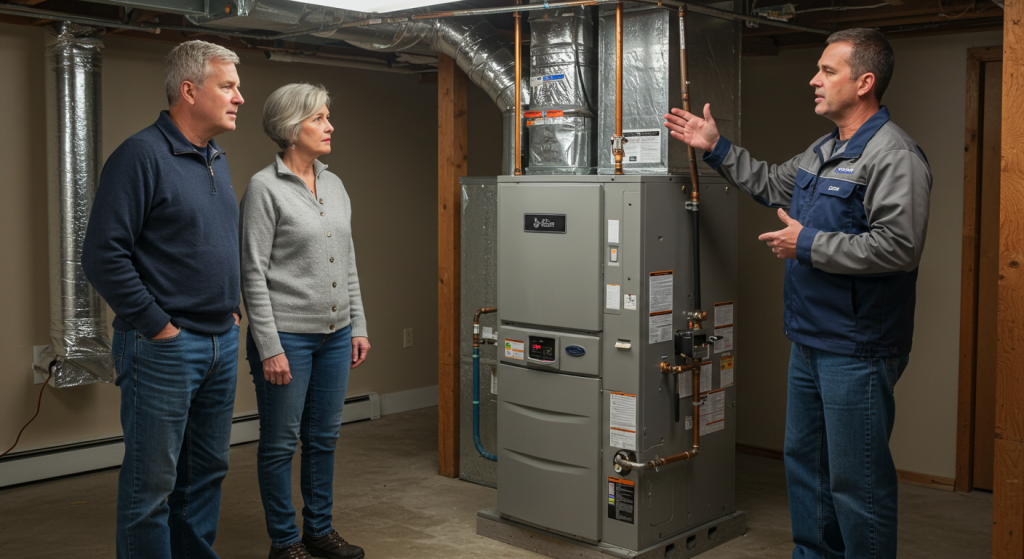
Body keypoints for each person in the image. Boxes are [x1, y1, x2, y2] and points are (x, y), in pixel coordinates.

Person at [664, 28, 931, 558]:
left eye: (828, 71)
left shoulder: (893, 154)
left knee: (858, 483)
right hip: (809, 339)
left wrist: (806, 243)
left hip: (857, 346)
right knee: (806, 468)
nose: (814, 79)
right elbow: (770, 183)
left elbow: (899, 248)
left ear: (864, 82)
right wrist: (715, 147)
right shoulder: (824, 149)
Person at [81, 40, 244, 559]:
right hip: (165, 348)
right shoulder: (140, 155)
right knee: (150, 488)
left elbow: (211, 247)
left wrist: (231, 307)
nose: (239, 97)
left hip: (219, 341)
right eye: (228, 86)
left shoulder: (215, 157)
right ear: (189, 90)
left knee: (204, 477)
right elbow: (103, 256)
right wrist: (159, 327)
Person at [240, 83, 371, 559]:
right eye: (319, 118)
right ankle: (285, 542)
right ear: (292, 128)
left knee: (324, 438)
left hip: (335, 337)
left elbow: (347, 259)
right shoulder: (264, 188)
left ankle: (319, 530)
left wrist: (358, 325)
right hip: (287, 338)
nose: (330, 126)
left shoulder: (334, 184)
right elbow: (252, 272)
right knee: (279, 443)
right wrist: (269, 345)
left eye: (327, 117)